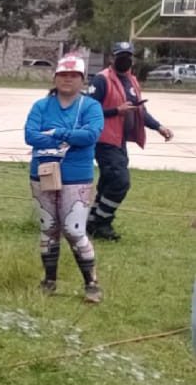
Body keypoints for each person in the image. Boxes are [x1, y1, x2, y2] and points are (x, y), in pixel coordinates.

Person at [23, 55, 105, 303]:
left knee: (73, 228)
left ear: (82, 80)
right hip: (43, 172)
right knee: (48, 228)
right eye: (63, 75)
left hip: (76, 176)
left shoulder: (90, 106)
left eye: (73, 75)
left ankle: (91, 283)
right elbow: (30, 135)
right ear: (55, 77)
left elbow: (90, 135)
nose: (68, 79)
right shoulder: (41, 105)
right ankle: (49, 280)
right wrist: (70, 137)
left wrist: (57, 132)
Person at [86, 41, 174, 241]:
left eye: (128, 55)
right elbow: (88, 109)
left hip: (120, 140)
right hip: (104, 139)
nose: (125, 59)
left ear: (133, 58)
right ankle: (102, 223)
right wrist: (117, 110)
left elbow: (139, 110)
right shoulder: (101, 80)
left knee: (109, 182)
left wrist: (158, 127)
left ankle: (92, 221)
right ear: (112, 58)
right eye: (120, 55)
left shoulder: (132, 80)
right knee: (120, 182)